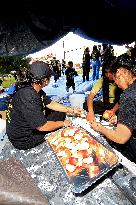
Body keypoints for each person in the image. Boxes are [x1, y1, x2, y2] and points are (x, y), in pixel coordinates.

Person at [6, 61, 83, 150]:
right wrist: (63, 123)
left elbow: (49, 103)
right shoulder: (29, 96)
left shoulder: (31, 87)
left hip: (22, 127)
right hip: (23, 140)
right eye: (49, 77)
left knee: (60, 114)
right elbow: (42, 127)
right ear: (45, 80)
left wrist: (72, 110)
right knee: (57, 124)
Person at [89, 54, 136, 163]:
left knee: (104, 143)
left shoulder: (128, 95)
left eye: (114, 77)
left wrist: (99, 128)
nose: (115, 82)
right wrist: (122, 120)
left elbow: (121, 138)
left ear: (119, 72)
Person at [85, 56, 122, 121]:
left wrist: (113, 110)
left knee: (123, 112)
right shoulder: (103, 79)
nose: (108, 75)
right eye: (106, 72)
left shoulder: (121, 80)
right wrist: (91, 112)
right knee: (86, 105)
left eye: (110, 72)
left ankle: (110, 115)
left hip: (117, 104)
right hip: (105, 104)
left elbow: (121, 100)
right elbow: (90, 96)